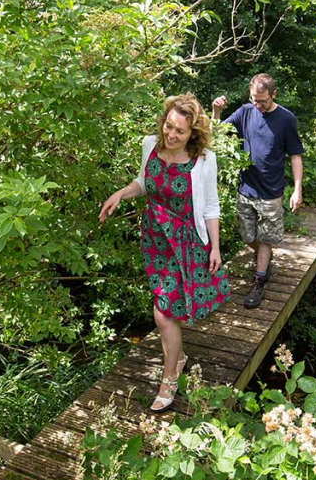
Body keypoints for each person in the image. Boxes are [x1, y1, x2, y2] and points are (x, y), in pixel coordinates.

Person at [99, 94, 231, 413]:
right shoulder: (150, 145)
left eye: (180, 132)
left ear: (193, 133)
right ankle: (180, 357)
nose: (171, 135)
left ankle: (169, 377)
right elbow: (143, 182)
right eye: (168, 126)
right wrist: (121, 193)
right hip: (155, 238)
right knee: (167, 307)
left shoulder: (203, 160)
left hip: (185, 240)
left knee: (163, 311)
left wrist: (214, 246)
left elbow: (211, 206)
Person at [211, 73, 303, 310]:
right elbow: (217, 134)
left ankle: (258, 281)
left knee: (265, 239)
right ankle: (265, 258)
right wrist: (216, 112)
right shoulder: (245, 112)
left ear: (273, 95)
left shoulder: (286, 119)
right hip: (246, 189)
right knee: (247, 236)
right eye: (254, 99)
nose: (258, 105)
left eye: (262, 100)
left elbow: (295, 155)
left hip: (272, 192)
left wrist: (297, 189)